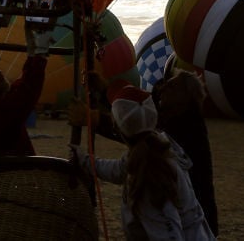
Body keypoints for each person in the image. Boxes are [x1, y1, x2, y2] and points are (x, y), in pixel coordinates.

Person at [74, 81, 214, 240]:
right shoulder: (157, 147)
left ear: (116, 126)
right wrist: (84, 159)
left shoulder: (150, 176)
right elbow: (118, 170)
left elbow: (167, 235)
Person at [0, 25, 51, 158]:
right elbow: (25, 92)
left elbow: (18, 87)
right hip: (9, 175)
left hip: (15, 173)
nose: (0, 73)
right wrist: (40, 54)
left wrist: (31, 55)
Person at [155, 70, 219, 235]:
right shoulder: (184, 120)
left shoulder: (183, 126)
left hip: (192, 223)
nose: (162, 91)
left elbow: (138, 131)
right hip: (195, 219)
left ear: (184, 96)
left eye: (170, 88)